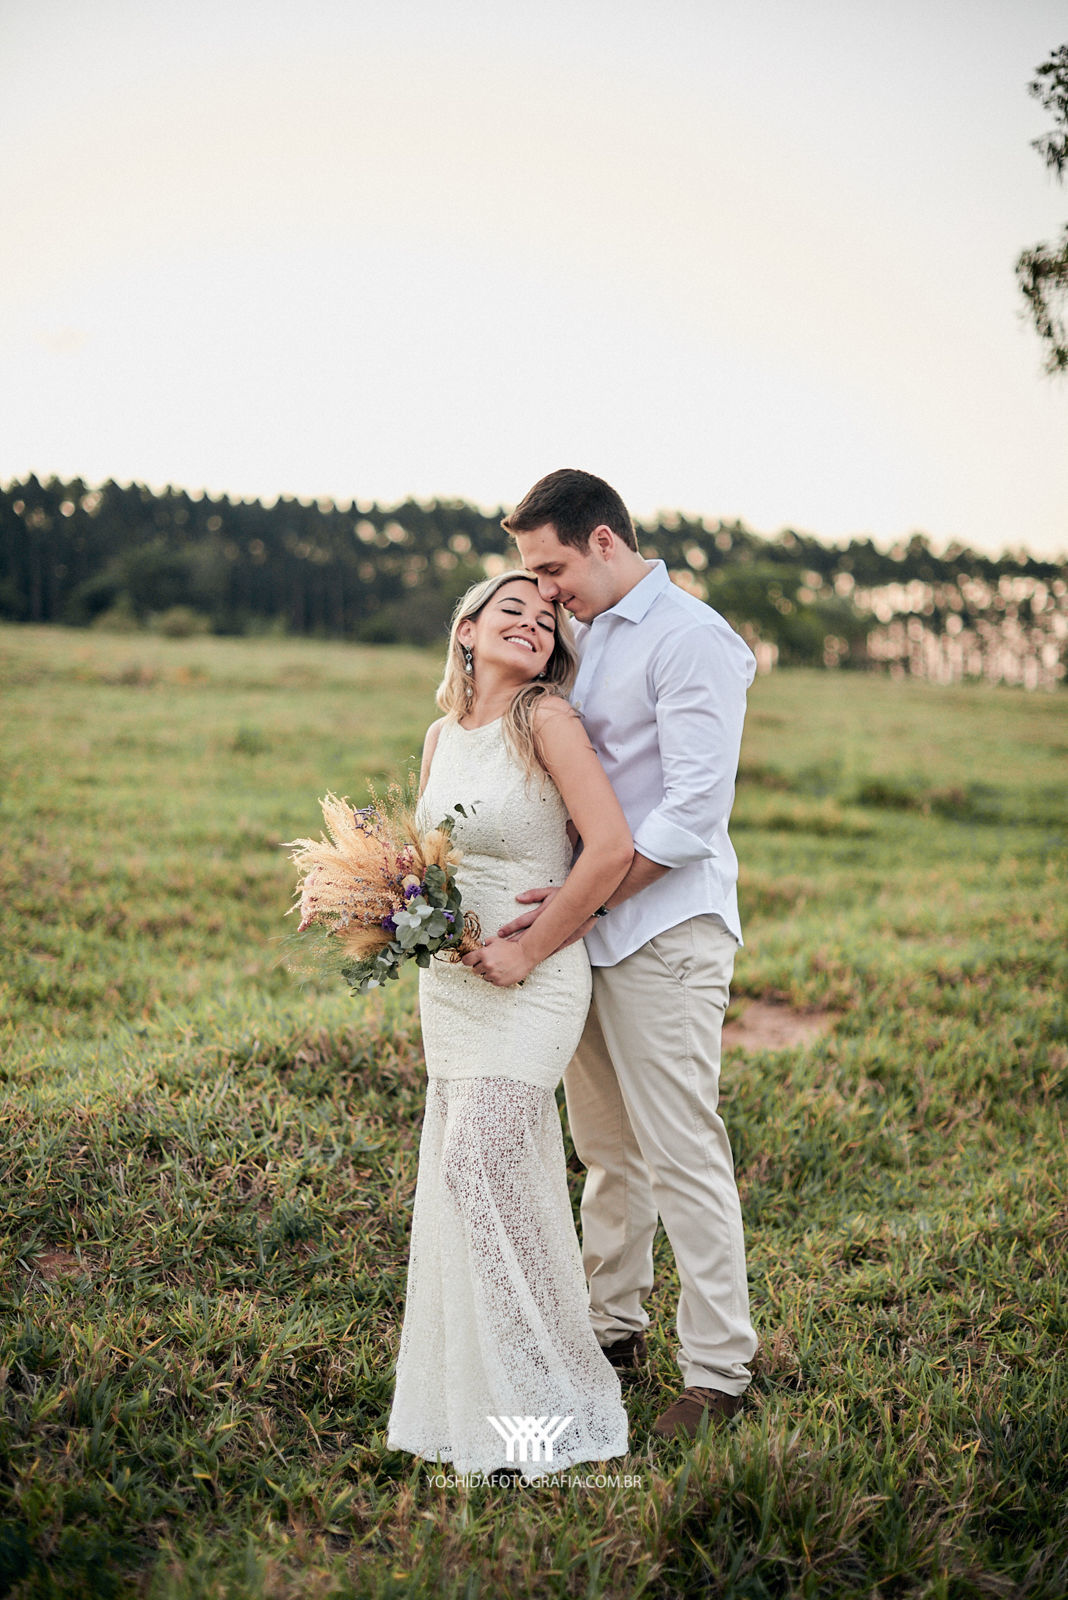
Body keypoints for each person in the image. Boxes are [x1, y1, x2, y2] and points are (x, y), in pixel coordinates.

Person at [499, 468, 759, 1440]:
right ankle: (611, 1330)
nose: (545, 588)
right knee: (605, 1151)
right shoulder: (593, 632)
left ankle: (721, 1372)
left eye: (551, 565)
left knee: (681, 1149)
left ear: (604, 541)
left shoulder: (694, 638)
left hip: (664, 932)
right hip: (589, 934)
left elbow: (694, 811)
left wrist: (582, 900)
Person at [386, 569, 633, 1477]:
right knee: (472, 1178)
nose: (531, 624)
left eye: (545, 618)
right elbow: (424, 861)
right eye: (510, 611)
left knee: (478, 1158)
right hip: (453, 989)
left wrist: (527, 948)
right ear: (467, 630)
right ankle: (489, 1399)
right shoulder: (441, 735)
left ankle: (556, 1388)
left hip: (534, 977)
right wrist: (374, 902)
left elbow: (607, 847)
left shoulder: (546, 721)